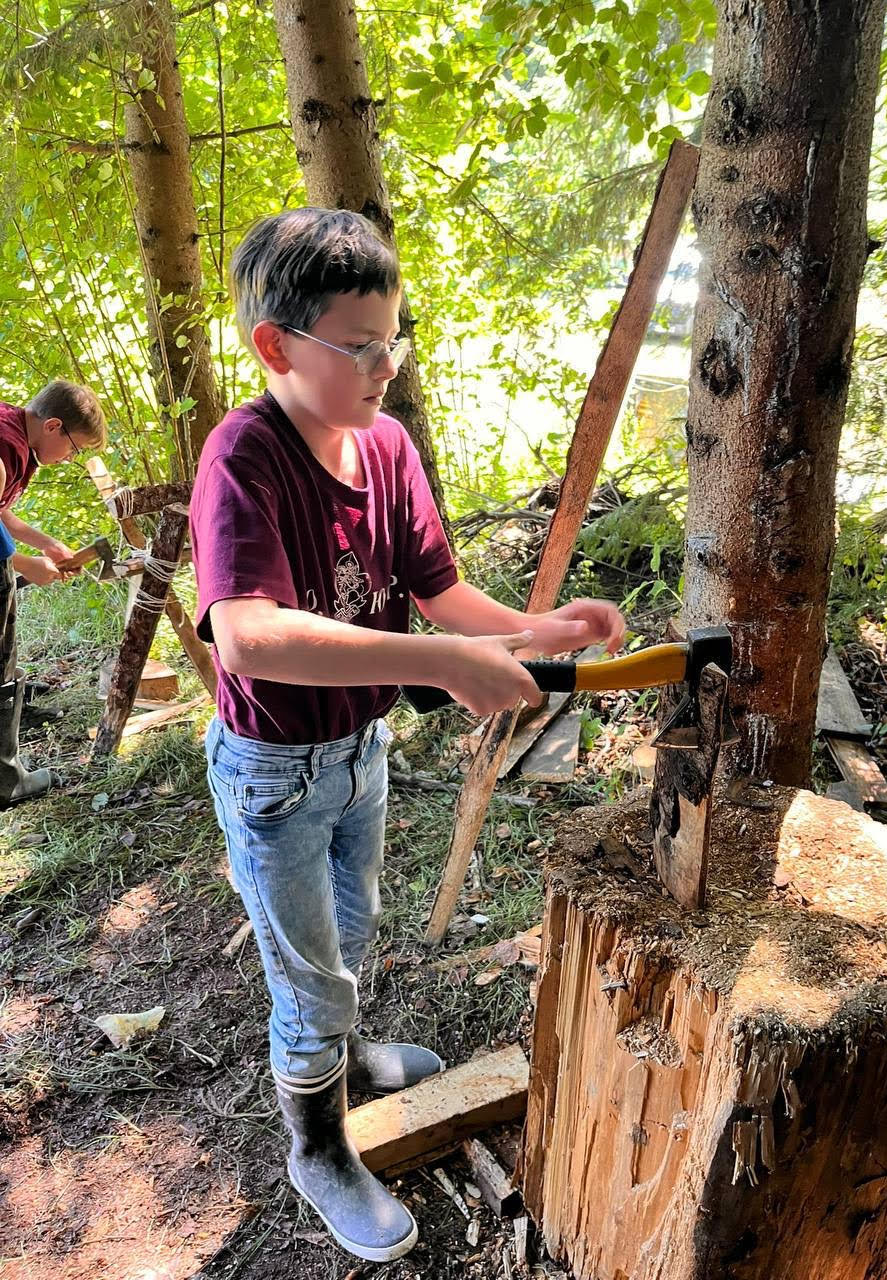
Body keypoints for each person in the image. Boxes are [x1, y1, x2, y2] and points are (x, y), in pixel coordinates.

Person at [190, 208, 626, 1263]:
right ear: (276, 345)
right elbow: (247, 636)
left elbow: (438, 591)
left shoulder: (385, 445)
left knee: (355, 929)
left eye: (395, 339)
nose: (388, 367)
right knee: (308, 979)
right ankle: (318, 1148)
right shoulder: (244, 457)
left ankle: (347, 1058)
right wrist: (434, 663)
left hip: (360, 754)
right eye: (361, 346)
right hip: (274, 774)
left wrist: (538, 629)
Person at [0, 380, 107, 805]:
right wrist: (25, 565)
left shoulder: (14, 430)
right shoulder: (5, 448)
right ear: (53, 426)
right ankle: (6, 782)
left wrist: (45, 543)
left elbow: (1, 512)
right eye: (74, 449)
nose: (69, 459)